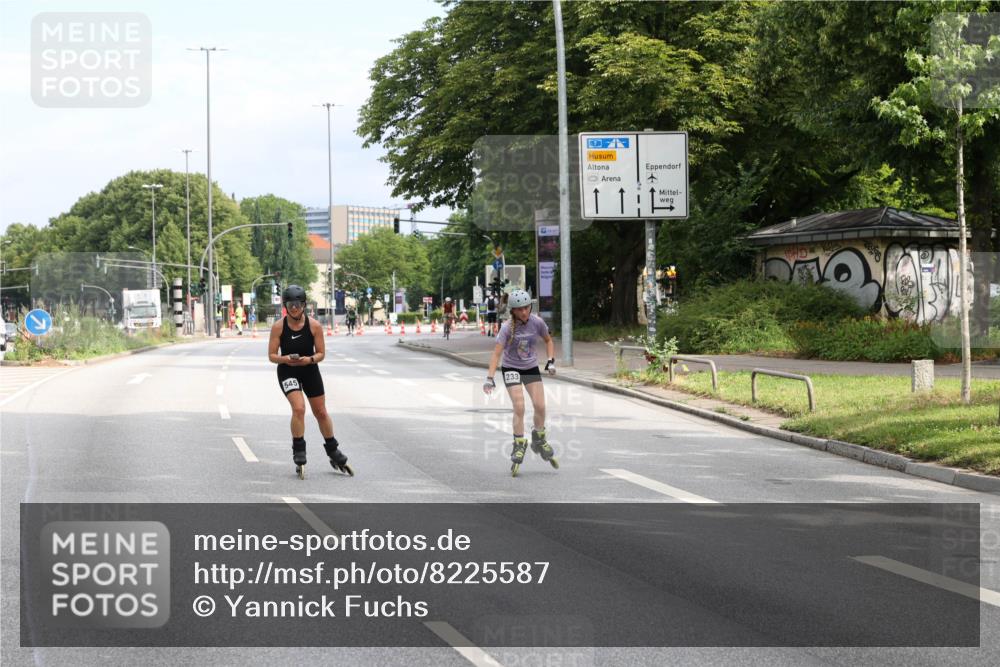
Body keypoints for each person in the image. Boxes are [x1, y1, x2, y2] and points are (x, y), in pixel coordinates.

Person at [268, 284, 353, 479]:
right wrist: (286, 359)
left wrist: (310, 360)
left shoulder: (314, 326)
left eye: (298, 304)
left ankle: (333, 450)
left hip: (310, 369)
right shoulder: (278, 327)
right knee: (299, 409)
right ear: (285, 306)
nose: (294, 308)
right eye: (290, 304)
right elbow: (272, 356)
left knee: (321, 412)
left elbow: (321, 353)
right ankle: (299, 450)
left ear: (304, 305)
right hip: (288, 371)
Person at [482, 289, 558, 477]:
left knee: (540, 406)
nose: (524, 312)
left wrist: (550, 360)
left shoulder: (537, 322)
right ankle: (518, 444)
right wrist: (490, 378)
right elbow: (496, 354)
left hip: (530, 367)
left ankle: (539, 438)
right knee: (520, 406)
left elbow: (548, 341)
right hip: (512, 368)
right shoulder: (507, 328)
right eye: (519, 309)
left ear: (530, 307)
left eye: (526, 308)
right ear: (513, 311)